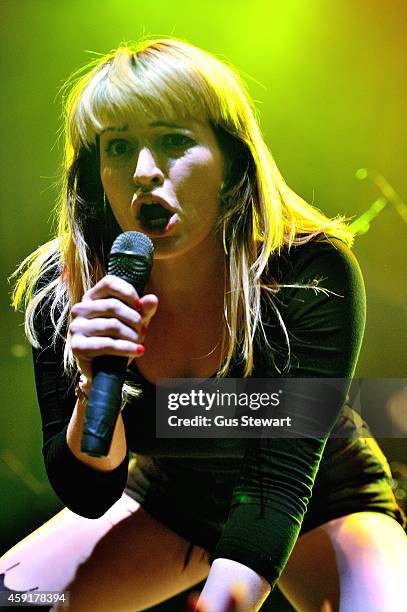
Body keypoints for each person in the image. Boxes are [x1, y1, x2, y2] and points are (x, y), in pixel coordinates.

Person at [1, 37, 406, 611]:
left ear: (231, 158)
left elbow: (275, 484)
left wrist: (226, 598)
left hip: (319, 495)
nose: (143, 172)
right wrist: (95, 385)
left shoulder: (307, 272)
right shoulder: (65, 285)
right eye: (118, 147)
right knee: (16, 600)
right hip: (172, 499)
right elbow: (88, 495)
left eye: (173, 140)